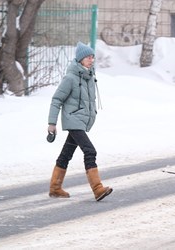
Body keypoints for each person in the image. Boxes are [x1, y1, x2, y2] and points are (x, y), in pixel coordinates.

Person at [47, 42, 112, 201]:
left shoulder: (89, 77)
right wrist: (52, 123)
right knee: (90, 151)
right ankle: (97, 189)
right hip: (73, 119)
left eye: (92, 57)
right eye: (88, 57)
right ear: (80, 59)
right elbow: (56, 100)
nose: (91, 60)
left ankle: (55, 188)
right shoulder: (71, 78)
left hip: (81, 121)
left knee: (66, 154)